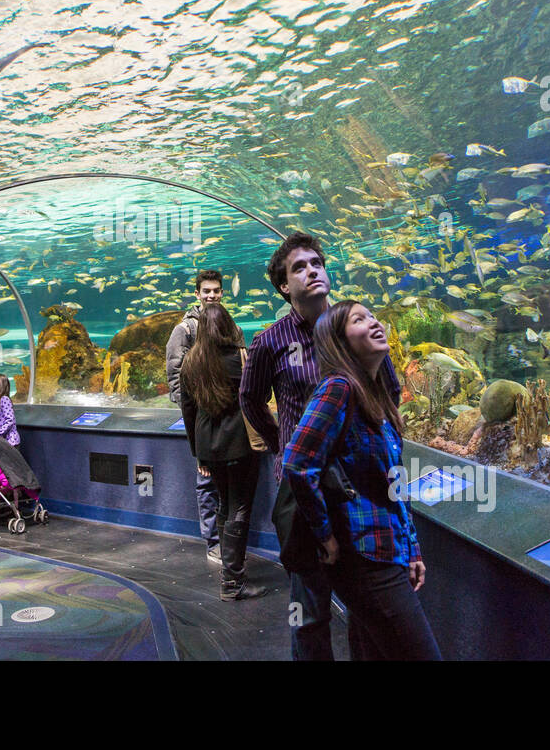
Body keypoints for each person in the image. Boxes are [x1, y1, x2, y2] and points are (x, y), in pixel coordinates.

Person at [238, 231, 403, 661]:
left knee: (367, 603)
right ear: (283, 285)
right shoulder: (270, 341)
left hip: (361, 488)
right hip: (304, 486)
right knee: (309, 608)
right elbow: (249, 399)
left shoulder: (354, 327)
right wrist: (281, 446)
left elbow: (390, 390)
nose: (311, 270)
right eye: (299, 267)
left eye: (316, 262)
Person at [282, 301, 441, 659]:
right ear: (339, 341)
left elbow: (394, 484)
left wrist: (411, 547)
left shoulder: (378, 396)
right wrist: (325, 535)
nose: (373, 322)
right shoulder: (339, 389)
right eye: (359, 319)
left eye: (372, 315)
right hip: (365, 558)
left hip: (388, 552)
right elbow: (297, 462)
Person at [179, 303, 268, 601]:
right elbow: (260, 396)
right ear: (230, 325)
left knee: (223, 506)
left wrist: (198, 454)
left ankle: (227, 572)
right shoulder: (241, 358)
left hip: (209, 448)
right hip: (240, 446)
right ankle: (232, 582)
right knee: (240, 508)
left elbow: (187, 411)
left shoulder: (190, 362)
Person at [166, 269, 231, 565]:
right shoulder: (186, 329)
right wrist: (189, 415)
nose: (212, 295)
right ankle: (213, 542)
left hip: (227, 417)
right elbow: (176, 374)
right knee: (205, 480)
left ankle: (229, 539)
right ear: (197, 294)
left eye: (216, 290)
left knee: (227, 479)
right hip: (200, 418)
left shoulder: (226, 324)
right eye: (206, 291)